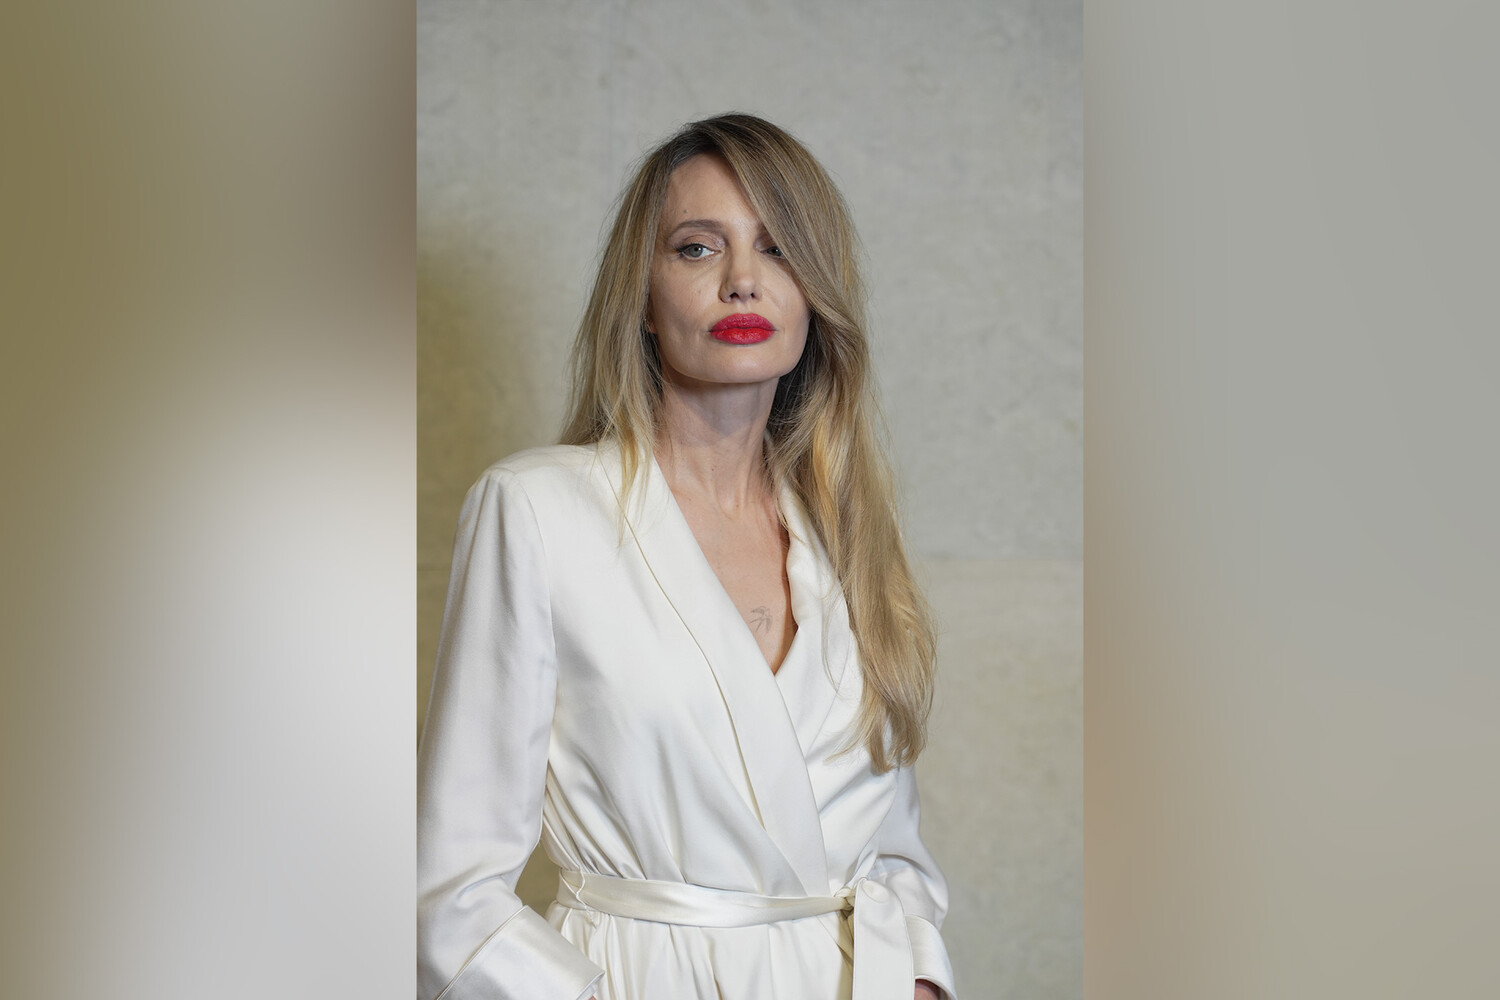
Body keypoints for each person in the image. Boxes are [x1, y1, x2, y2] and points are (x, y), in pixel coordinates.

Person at [417, 113, 955, 1000]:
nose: (743, 279)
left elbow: (891, 863)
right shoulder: (538, 512)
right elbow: (450, 897)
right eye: (698, 248)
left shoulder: (847, 533)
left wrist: (921, 981)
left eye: (778, 249)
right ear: (641, 297)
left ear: (815, 295)